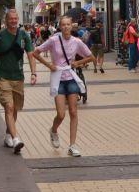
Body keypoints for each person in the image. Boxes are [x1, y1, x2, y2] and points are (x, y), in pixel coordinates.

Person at [32, 16, 95, 157]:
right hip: (58, 78)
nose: (66, 27)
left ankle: (72, 145)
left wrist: (78, 63)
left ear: (72, 26)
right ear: (60, 26)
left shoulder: (76, 42)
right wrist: (49, 65)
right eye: (63, 25)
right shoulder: (54, 40)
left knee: (73, 111)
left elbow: (91, 57)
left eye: (68, 25)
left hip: (71, 77)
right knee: (61, 114)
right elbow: (35, 53)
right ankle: (53, 130)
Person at [0, 10, 37, 154]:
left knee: (14, 108)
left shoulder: (24, 35)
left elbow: (30, 55)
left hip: (18, 78)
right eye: (11, 19)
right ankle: (16, 139)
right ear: (6, 21)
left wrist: (33, 73)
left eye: (16, 19)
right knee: (8, 107)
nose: (14, 21)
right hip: (3, 77)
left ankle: (9, 134)